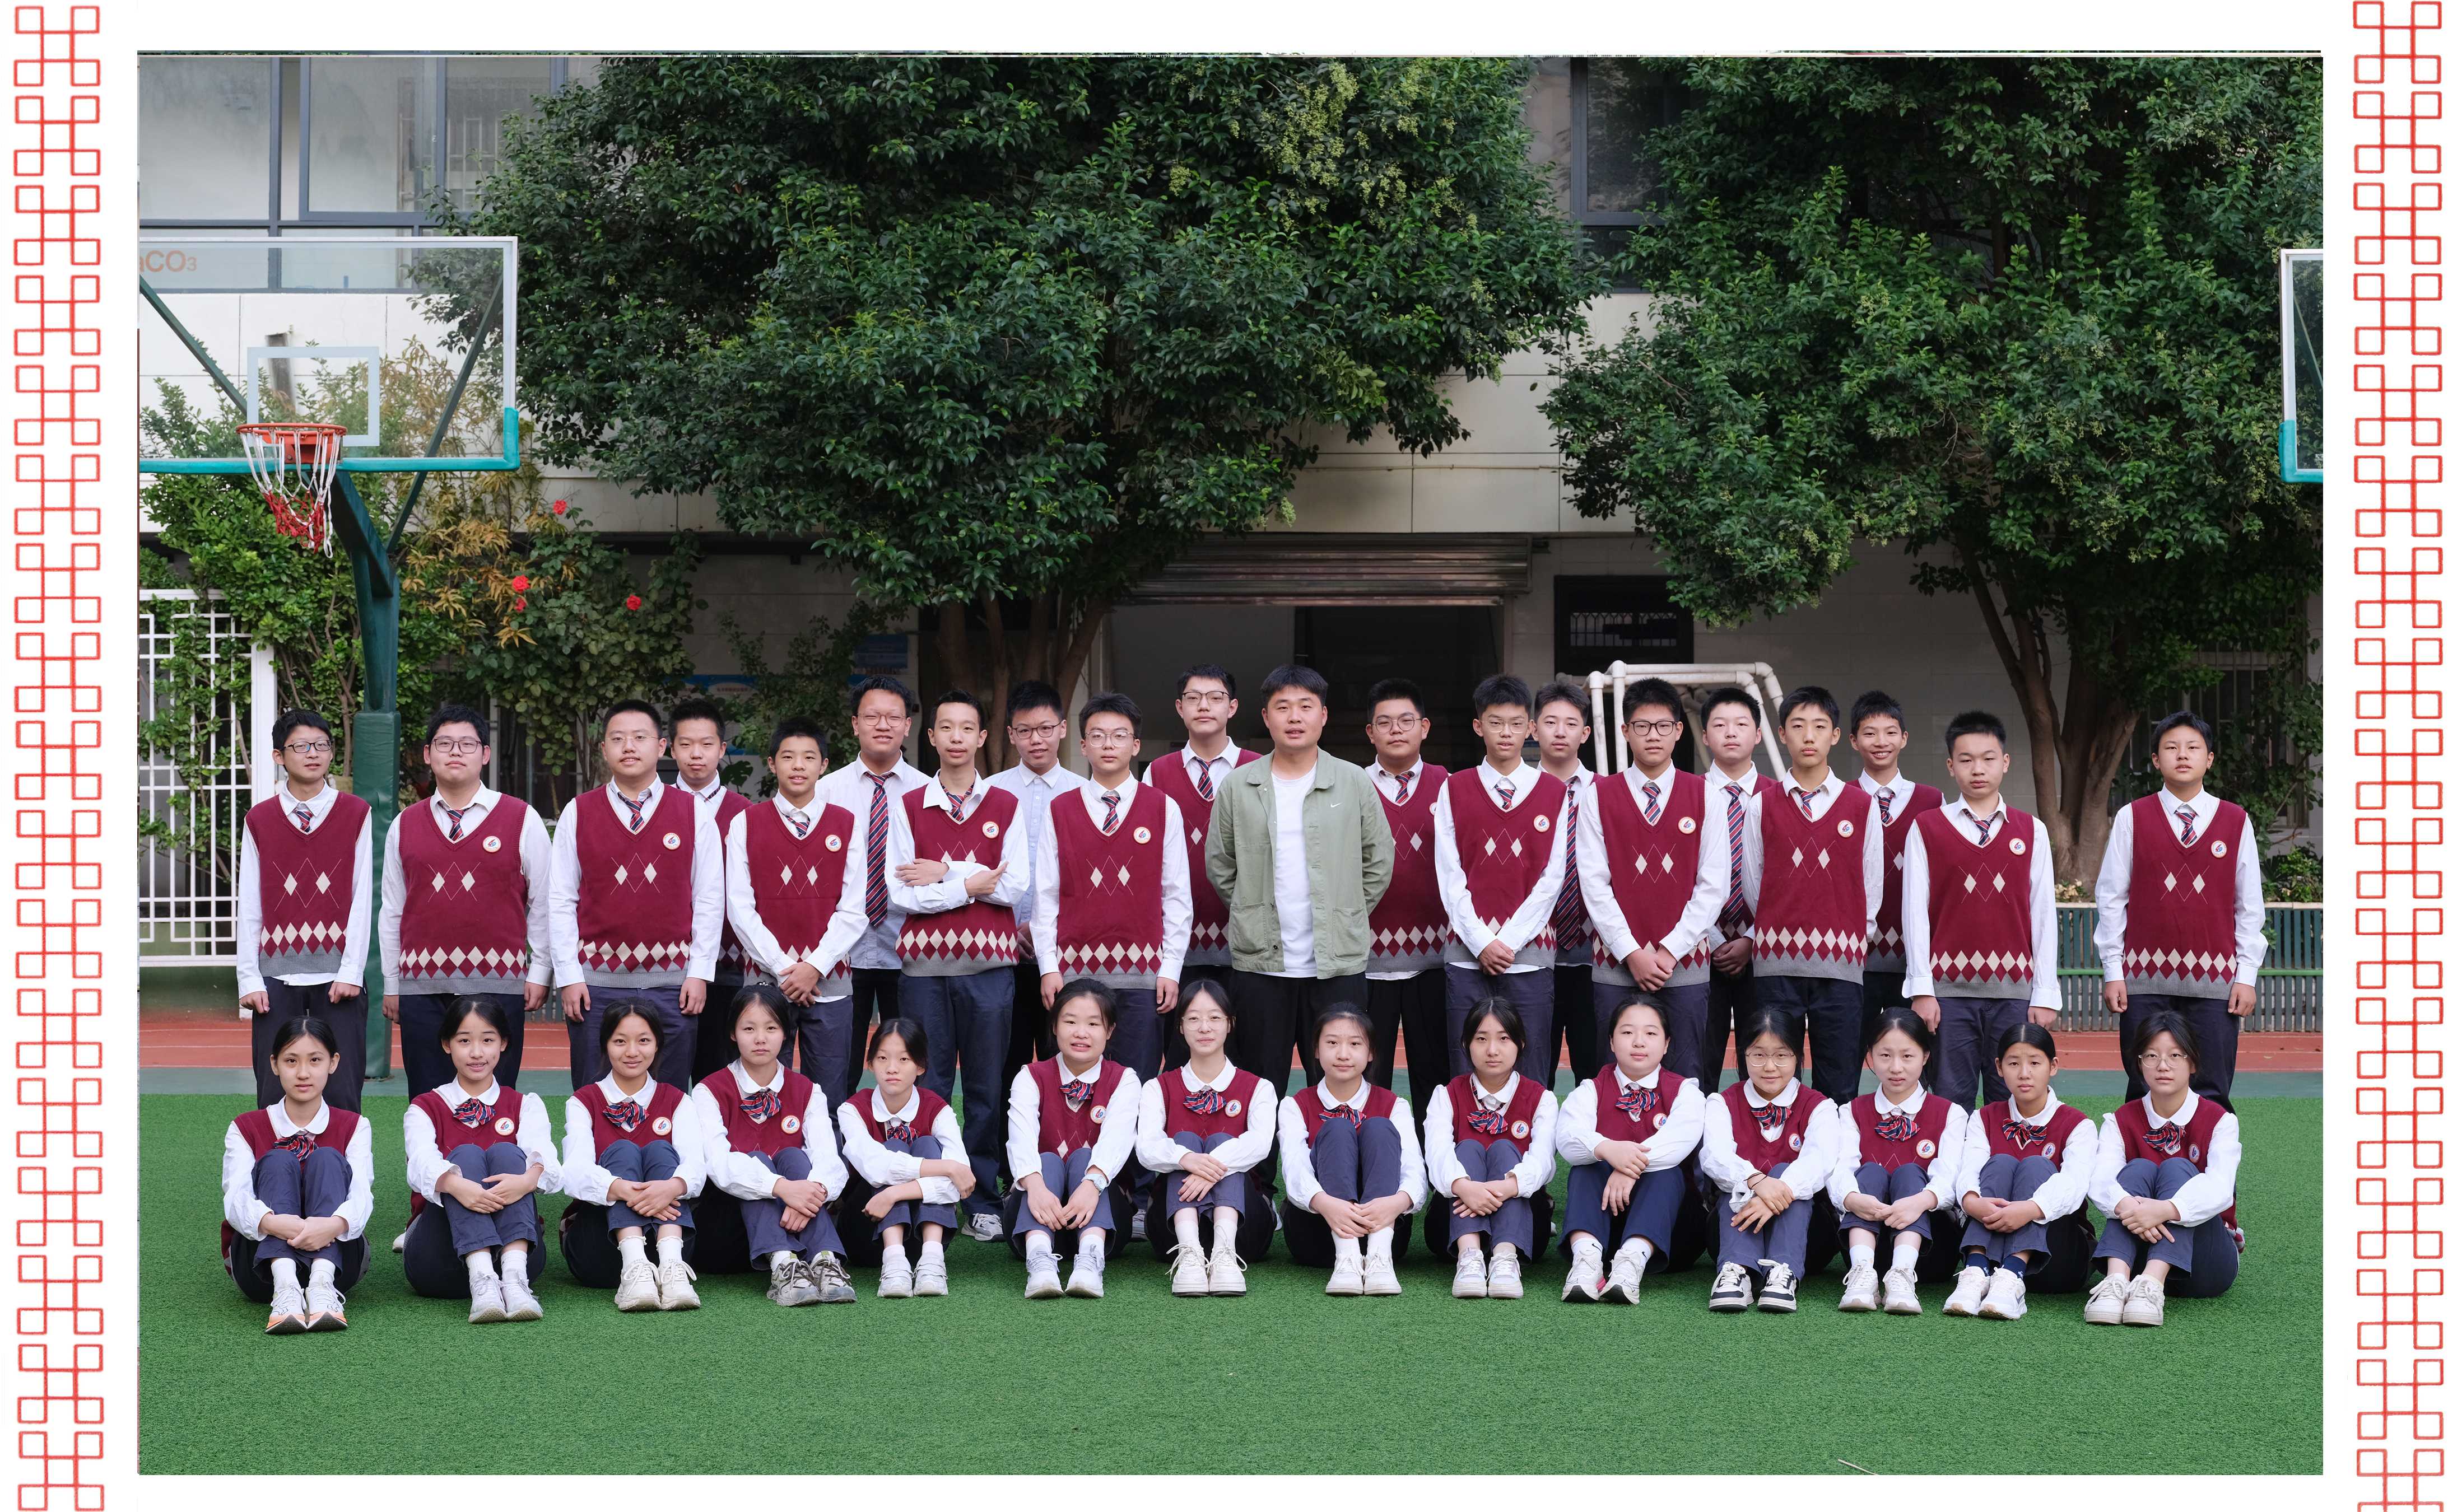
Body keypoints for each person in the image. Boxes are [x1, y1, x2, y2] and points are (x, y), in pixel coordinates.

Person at [1208, 664, 1393, 1108]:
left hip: (1336, 966)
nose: (1295, 717)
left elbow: (1379, 861)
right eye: (1283, 707)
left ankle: (1334, 1157)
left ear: (1323, 715)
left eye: (1306, 707)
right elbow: (1221, 864)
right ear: (1266, 717)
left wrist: (1344, 911)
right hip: (1261, 967)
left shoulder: (1353, 782)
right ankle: (1261, 1159)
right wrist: (1253, 912)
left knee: (1338, 1083)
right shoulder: (1239, 786)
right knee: (1258, 1085)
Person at [887, 689, 1030, 1243]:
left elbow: (1013, 887)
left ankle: (983, 1197)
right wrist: (972, 885)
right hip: (923, 972)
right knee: (929, 1087)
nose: (955, 737)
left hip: (990, 970)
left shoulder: (1006, 806)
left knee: (988, 1088)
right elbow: (902, 894)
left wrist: (947, 872)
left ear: (981, 737)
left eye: (966, 728)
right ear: (930, 737)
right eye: (945, 727)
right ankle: (931, 1196)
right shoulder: (908, 806)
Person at [2094, 711, 2266, 1109]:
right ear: (2156, 760)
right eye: (2171, 748)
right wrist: (2114, 970)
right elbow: (2112, 898)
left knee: (2212, 1089)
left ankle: (2213, 1154)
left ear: (2210, 759)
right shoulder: (2132, 818)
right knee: (2145, 1087)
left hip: (2216, 984)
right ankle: (2142, 1153)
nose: (2183, 755)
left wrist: (2246, 976)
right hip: (2143, 982)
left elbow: (2249, 906)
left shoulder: (2235, 821)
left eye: (2193, 748)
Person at [548, 699, 722, 1087]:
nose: (629, 746)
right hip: (595, 985)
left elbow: (709, 899)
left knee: (668, 1099)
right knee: (595, 1098)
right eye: (618, 739)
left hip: (674, 984)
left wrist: (699, 973)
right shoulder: (578, 812)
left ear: (661, 747)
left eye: (639, 738)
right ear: (604, 749)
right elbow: (560, 901)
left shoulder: (693, 812)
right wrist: (569, 976)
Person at [380, 703, 547, 1099]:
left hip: (498, 983)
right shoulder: (404, 824)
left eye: (467, 744)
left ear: (485, 754)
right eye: (444, 743)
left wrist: (540, 970)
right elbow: (392, 910)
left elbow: (543, 901)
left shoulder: (522, 819)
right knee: (428, 1101)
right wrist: (391, 982)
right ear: (428, 754)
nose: (455, 751)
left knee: (496, 1100)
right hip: (421, 987)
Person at [1030, 692, 1190, 1084]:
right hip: (1074, 976)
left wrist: (1170, 969)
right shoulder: (1060, 810)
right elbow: (1046, 896)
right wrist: (1048, 967)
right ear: (1083, 745)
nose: (1108, 745)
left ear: (1135, 745)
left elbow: (1176, 896)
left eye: (1119, 736)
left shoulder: (1163, 808)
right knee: (1076, 1084)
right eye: (1097, 736)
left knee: (1137, 1084)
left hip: (1144, 978)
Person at [1902, 710, 2060, 1107]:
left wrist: (2044, 994)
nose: (1978, 769)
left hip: (2015, 994)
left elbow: (2043, 915)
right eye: (1966, 759)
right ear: (1950, 766)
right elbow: (1915, 914)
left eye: (1988, 759)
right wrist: (1922, 989)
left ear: (2005, 763)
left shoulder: (2032, 830)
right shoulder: (1927, 827)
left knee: (2011, 1099)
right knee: (1950, 1100)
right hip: (1947, 994)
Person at [1578, 678, 1729, 1085]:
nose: (1653, 736)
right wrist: (1631, 952)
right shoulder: (1598, 796)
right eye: (1642, 726)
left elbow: (1714, 885)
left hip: (1686, 966)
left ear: (1679, 731)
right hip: (1616, 965)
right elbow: (1594, 883)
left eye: (1663, 726)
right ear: (1625, 731)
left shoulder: (1706, 796)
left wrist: (1669, 951)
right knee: (1613, 1079)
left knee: (1686, 1079)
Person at [1740, 687, 1884, 1100]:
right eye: (1798, 726)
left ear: (1835, 736)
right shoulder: (1761, 805)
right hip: (1776, 966)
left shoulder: (1862, 806)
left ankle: (1833, 1145)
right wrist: (1780, 928)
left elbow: (1871, 885)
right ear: (1782, 734)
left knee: (1838, 1079)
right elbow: (1754, 884)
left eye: (1820, 727)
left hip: (1841, 966)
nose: (1809, 736)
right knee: (1774, 1075)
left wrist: (1849, 940)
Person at [1433, 674, 1568, 1095]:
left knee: (1531, 1068)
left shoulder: (1554, 792)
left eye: (1515, 723)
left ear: (1531, 728)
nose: (1505, 733)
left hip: (1530, 956)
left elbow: (1552, 878)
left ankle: (1529, 1144)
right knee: (1465, 1069)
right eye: (1495, 723)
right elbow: (1449, 874)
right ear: (1479, 727)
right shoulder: (1454, 788)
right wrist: (1481, 942)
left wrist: (1506, 942)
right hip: (1466, 955)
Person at [725, 717, 868, 1105]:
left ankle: (828, 1151)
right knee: (763, 1092)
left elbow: (854, 909)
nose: (799, 765)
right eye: (788, 757)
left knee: (830, 1096)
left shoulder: (847, 824)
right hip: (765, 984)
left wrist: (814, 967)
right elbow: (740, 907)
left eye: (809, 757)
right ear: (772, 764)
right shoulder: (746, 824)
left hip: (830, 982)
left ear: (824, 765)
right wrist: (785, 969)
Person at [238, 708, 372, 1110]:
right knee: (274, 1089)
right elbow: (250, 902)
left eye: (321, 745)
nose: (313, 753)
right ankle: (278, 1154)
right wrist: (249, 978)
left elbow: (363, 897)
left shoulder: (356, 813)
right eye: (300, 746)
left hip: (339, 977)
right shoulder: (259, 819)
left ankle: (343, 1154)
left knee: (343, 1089)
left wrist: (352, 971)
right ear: (279, 756)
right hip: (275, 976)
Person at [689, 984, 857, 1306]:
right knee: (754, 1160)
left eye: (771, 1028)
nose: (760, 1038)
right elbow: (719, 1165)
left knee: (794, 1155)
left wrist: (807, 1197)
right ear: (733, 1033)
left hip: (798, 1221)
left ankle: (824, 1260)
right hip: (728, 1234)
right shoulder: (709, 1091)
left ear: (785, 1033)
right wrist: (782, 1188)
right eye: (749, 1029)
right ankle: (783, 1264)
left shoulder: (808, 1090)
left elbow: (829, 1159)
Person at [399, 997, 560, 1323]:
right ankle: (482, 1278)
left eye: (487, 1040)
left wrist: (526, 1182)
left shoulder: (525, 1104)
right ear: (447, 1045)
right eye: (464, 1041)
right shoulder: (425, 1107)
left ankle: (514, 1280)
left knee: (507, 1152)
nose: (477, 1053)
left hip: (518, 1256)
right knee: (467, 1154)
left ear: (503, 1043)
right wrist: (457, 1186)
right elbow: (419, 1166)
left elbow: (550, 1166)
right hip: (440, 1259)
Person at [2084, 1013, 2244, 1328]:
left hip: (2205, 1265)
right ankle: (2116, 1284)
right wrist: (2128, 1205)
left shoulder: (2221, 1121)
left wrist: (2166, 1210)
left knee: (2177, 1167)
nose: (2163, 1066)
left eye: (2175, 1056)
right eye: (2152, 1056)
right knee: (2139, 1169)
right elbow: (2100, 1180)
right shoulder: (2119, 1121)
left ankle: (2153, 1284)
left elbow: (2221, 1190)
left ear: (2193, 1062)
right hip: (2135, 1256)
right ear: (2139, 1063)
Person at [220, 1016, 372, 1333]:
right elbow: (235, 1200)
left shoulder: (355, 1126)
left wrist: (332, 1226)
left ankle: (321, 1286)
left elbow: (361, 1197)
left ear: (333, 1063)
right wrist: (273, 1223)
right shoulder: (245, 1127)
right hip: (260, 1272)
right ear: (274, 1064)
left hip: (338, 1266)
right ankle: (286, 1287)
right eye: (291, 1061)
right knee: (277, 1160)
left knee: (327, 1158)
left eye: (315, 1060)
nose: (303, 1073)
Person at [810, 675, 927, 1080]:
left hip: (907, 948)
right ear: (855, 724)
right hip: (841, 952)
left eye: (893, 717)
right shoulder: (825, 792)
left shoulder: (929, 793)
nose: (883, 725)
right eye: (872, 716)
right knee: (837, 1063)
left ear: (907, 726)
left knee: (906, 1062)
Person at [1143, 664, 1260, 1066]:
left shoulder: (1259, 768)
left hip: (1246, 944)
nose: (1204, 706)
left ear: (1233, 707)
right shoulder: (1158, 772)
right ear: (1180, 708)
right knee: (1180, 1055)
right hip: (1178, 947)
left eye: (1215, 698)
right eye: (1193, 698)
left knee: (1245, 1056)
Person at [1941, 1022, 2097, 1320]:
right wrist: (1972, 1202)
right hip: (1991, 1250)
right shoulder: (1984, 1118)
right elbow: (1969, 1168)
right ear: (1999, 1068)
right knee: (2000, 1162)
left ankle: (2013, 1273)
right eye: (2014, 1064)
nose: (2024, 1073)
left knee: (2037, 1164)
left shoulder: (2079, 1125)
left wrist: (2029, 1210)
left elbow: (2075, 1185)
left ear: (2053, 1066)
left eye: (2035, 1063)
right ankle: (1975, 1271)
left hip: (2056, 1260)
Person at [559, 1000, 705, 1311]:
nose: (632, 1051)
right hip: (600, 1251)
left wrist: (672, 1187)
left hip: (668, 1246)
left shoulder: (679, 1101)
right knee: (624, 1148)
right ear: (605, 1044)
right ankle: (634, 1267)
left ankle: (672, 1271)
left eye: (643, 1040)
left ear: (658, 1044)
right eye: (620, 1041)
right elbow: (572, 1173)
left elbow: (696, 1166)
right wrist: (624, 1189)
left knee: (660, 1149)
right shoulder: (584, 1101)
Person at [1555, 998, 1701, 1305]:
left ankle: (1631, 1262)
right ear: (1611, 1041)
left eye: (1651, 1033)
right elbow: (1568, 1138)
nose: (1639, 1042)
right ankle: (1586, 1262)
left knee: (1668, 1171)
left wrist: (1627, 1167)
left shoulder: (1685, 1091)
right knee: (1587, 1164)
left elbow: (1680, 1141)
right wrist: (1608, 1149)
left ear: (1666, 1044)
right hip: (1604, 1225)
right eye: (1627, 1032)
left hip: (1670, 1233)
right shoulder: (1591, 1089)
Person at [1136, 978, 1276, 1296]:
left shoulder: (1259, 1088)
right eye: (1194, 1018)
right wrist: (1186, 1159)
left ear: (1230, 1024)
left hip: (1246, 1230)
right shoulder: (1158, 1088)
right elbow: (1146, 1148)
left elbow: (1260, 1144)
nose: (1204, 1027)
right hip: (1171, 1232)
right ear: (1180, 1026)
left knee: (1221, 1144)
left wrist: (1209, 1166)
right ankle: (1189, 1255)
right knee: (1183, 1143)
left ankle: (1225, 1254)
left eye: (1214, 1018)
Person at [1006, 977, 1144, 1300]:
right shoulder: (1030, 1076)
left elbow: (1117, 1140)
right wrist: (1036, 1188)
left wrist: (1092, 1186)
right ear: (1054, 1026)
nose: (1081, 1032)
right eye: (1070, 1022)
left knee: (1085, 1157)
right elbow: (1020, 1138)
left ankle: (1090, 1260)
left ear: (1109, 1031)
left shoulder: (1124, 1080)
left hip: (1104, 1217)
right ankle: (1040, 1261)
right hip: (1036, 1212)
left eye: (1093, 1024)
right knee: (1047, 1160)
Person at [1698, 1007, 1841, 1314]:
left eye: (1782, 1055)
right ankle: (1736, 1271)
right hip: (1732, 1229)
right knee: (1736, 1183)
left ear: (1798, 1057)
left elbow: (1820, 1162)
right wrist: (1755, 1181)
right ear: (1743, 1055)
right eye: (1758, 1055)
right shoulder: (1722, 1103)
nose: (1770, 1066)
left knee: (1786, 1172)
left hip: (1809, 1238)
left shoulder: (1820, 1107)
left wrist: (1774, 1190)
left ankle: (1783, 1272)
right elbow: (1715, 1156)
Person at [1277, 1006, 1425, 1297]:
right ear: (1316, 1050)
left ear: (1371, 1053)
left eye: (1355, 1044)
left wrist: (1396, 1203)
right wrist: (1328, 1205)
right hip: (1318, 1233)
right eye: (1332, 1043)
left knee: (1379, 1127)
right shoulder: (1295, 1105)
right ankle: (1346, 1259)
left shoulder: (1395, 1105)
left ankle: (1379, 1261)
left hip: (1382, 1230)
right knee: (1337, 1128)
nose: (1343, 1054)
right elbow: (1294, 1169)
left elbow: (1414, 1168)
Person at [1827, 1009, 1966, 1315]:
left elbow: (1951, 1178)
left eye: (1907, 1056)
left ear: (1925, 1056)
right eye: (1885, 1056)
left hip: (1930, 1250)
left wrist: (1919, 1202)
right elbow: (1839, 1171)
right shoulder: (1851, 1112)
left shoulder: (1951, 1114)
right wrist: (1852, 1199)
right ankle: (1862, 1277)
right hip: (1866, 1243)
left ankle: (1903, 1274)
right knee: (1870, 1173)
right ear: (1870, 1057)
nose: (1896, 1067)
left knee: (1909, 1173)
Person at [984, 680, 1088, 1083]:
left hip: (1064, 956)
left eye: (1046, 728)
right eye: (1025, 731)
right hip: (1001, 953)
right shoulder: (989, 793)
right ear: (1011, 734)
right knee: (1003, 1065)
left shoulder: (1085, 794)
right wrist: (1008, 929)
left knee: (1062, 1063)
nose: (1036, 740)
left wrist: (1045, 930)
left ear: (1062, 729)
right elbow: (977, 871)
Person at [1360, 677, 1451, 1133]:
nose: (1396, 730)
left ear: (1424, 728)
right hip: (1366, 959)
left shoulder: (1451, 786)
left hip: (1435, 960)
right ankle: (1368, 1170)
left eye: (1406, 721)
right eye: (1385, 723)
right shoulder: (1351, 786)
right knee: (1364, 1080)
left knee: (1435, 1083)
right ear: (1370, 732)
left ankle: (1437, 1175)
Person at [1425, 998, 1556, 1301]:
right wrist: (1464, 1188)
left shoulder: (1542, 1099)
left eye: (1504, 1039)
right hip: (1451, 1227)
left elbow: (1543, 1163)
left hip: (1525, 1232)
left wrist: (1503, 1188)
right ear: (1466, 1044)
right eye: (1481, 1039)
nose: (1492, 1050)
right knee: (1468, 1147)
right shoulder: (1446, 1095)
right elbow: (1437, 1154)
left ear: (1520, 1043)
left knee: (1505, 1148)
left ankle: (1505, 1259)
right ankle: (1469, 1257)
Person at [835, 1016, 973, 1298]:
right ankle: (894, 1262)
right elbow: (876, 1168)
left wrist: (893, 1194)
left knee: (926, 1143)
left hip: (924, 1237)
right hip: (867, 1227)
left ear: (920, 1066)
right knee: (895, 1145)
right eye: (882, 1058)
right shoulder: (852, 1110)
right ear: (870, 1063)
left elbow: (961, 1183)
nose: (892, 1068)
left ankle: (933, 1262)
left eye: (904, 1059)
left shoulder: (938, 1109)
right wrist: (946, 1167)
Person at [669, 697, 756, 1082]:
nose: (696, 754)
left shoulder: (747, 814)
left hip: (730, 965)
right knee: (665, 1079)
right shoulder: (651, 810)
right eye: (686, 744)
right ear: (671, 749)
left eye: (706, 745)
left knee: (721, 1079)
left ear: (722, 749)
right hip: (666, 967)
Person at [1850, 690, 1940, 1046]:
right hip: (1855, 962)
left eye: (1890, 732)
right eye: (1870, 733)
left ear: (1904, 738)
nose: (1881, 742)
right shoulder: (1840, 798)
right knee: (1848, 1056)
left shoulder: (1933, 802)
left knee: (1917, 1057)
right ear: (1854, 741)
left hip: (1915, 964)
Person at [1697, 688, 1769, 1091]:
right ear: (1704, 735)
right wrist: (1709, 936)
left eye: (1741, 724)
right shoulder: (1687, 794)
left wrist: (1752, 939)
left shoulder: (1780, 796)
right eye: (1720, 725)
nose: (1730, 733)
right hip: (1696, 947)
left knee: (1764, 1059)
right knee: (1698, 1061)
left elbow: (1788, 882)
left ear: (1758, 734)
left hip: (1766, 949)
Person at [1532, 681, 1600, 1086]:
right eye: (1550, 722)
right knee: (1532, 1071)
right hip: (1532, 954)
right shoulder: (1518, 792)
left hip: (1596, 956)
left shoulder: (1607, 792)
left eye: (1571, 724)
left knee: (1595, 1072)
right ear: (1533, 728)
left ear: (1585, 733)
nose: (1560, 732)